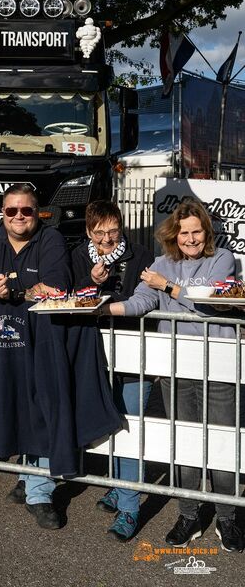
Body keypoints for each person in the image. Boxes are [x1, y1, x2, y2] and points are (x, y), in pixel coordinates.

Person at [0, 184, 121, 530]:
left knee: (43, 408)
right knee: (7, 408)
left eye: (26, 211)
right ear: (2, 213)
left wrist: (17, 290)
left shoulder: (51, 239)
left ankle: (40, 492)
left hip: (42, 343)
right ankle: (26, 475)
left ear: (38, 212)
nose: (19, 217)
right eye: (11, 211)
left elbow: (55, 283)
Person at [101, 198, 243, 552]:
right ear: (173, 235)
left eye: (197, 232)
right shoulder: (161, 263)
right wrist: (98, 310)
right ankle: (189, 513)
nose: (191, 239)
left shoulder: (222, 259)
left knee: (222, 444)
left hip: (219, 366)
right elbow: (139, 303)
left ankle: (227, 518)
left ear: (206, 233)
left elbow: (213, 300)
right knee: (185, 444)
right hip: (177, 367)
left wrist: (168, 287)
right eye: (184, 233)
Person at [72, 200, 154, 541]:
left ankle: (129, 508)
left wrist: (106, 299)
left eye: (113, 230)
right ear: (89, 232)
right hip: (93, 354)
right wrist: (90, 282)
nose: (107, 239)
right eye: (100, 232)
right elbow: (70, 299)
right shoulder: (77, 256)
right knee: (109, 423)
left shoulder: (142, 255)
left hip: (136, 354)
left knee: (129, 426)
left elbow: (145, 300)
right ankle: (119, 488)